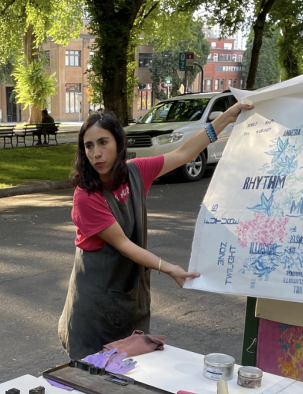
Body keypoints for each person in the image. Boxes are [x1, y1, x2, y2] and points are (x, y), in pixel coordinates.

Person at [58, 103, 251, 359]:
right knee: (95, 375)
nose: (96, 153)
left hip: (130, 295)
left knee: (130, 372)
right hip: (94, 305)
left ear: (118, 142)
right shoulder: (86, 196)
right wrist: (170, 268)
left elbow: (183, 153)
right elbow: (125, 245)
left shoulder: (135, 172)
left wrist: (225, 118)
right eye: (89, 146)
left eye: (103, 142)